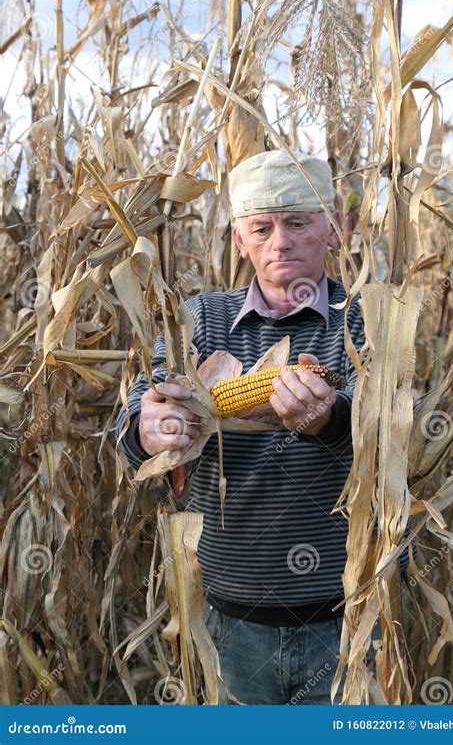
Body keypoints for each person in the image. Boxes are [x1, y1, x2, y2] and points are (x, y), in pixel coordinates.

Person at [116, 150, 400, 705]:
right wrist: (149, 429)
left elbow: (394, 432)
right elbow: (137, 412)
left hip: (348, 620)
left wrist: (331, 419)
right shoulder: (199, 318)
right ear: (239, 238)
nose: (280, 242)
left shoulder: (373, 315)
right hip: (231, 622)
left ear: (333, 228)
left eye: (298, 223)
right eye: (261, 227)